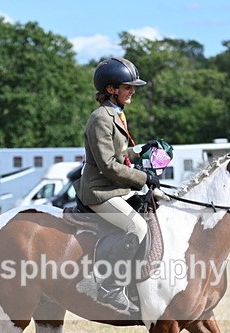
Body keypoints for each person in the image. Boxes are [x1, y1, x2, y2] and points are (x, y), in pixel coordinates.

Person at [75, 57, 159, 313]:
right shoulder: (101, 118)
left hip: (116, 189)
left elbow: (121, 155)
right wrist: (144, 178)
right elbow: (108, 165)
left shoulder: (116, 114)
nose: (132, 90)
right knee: (136, 226)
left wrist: (143, 150)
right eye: (128, 86)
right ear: (112, 89)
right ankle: (109, 288)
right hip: (100, 191)